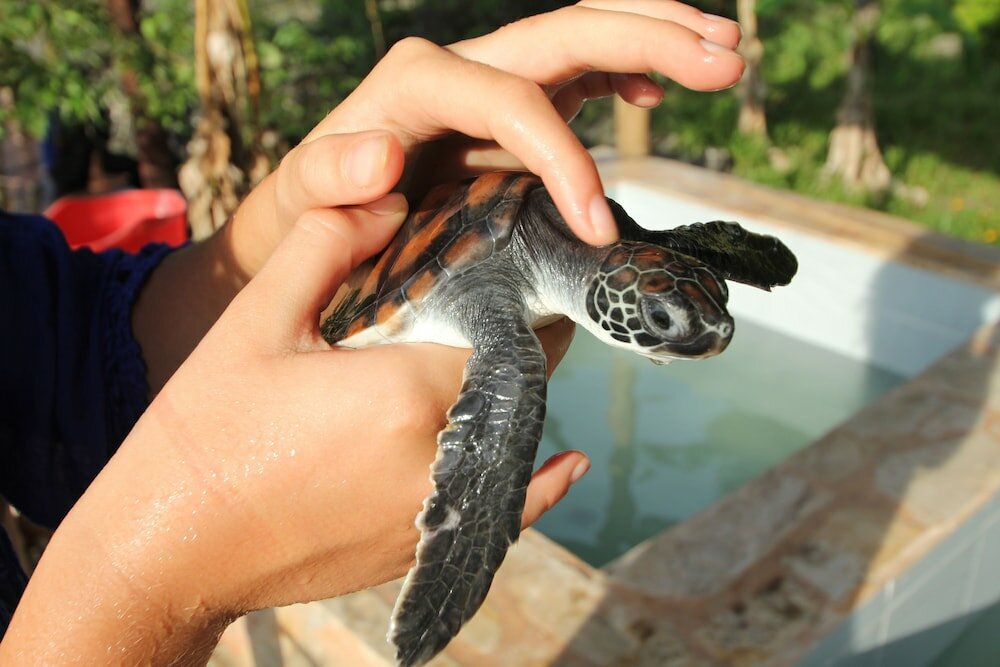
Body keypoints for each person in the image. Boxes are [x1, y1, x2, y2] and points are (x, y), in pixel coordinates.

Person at [0, 2, 743, 663]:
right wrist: (153, 587)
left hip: (422, 235)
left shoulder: (599, 237)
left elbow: (69, 354)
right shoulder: (507, 349)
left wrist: (278, 222)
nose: (700, 340)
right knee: (509, 379)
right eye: (665, 324)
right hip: (420, 285)